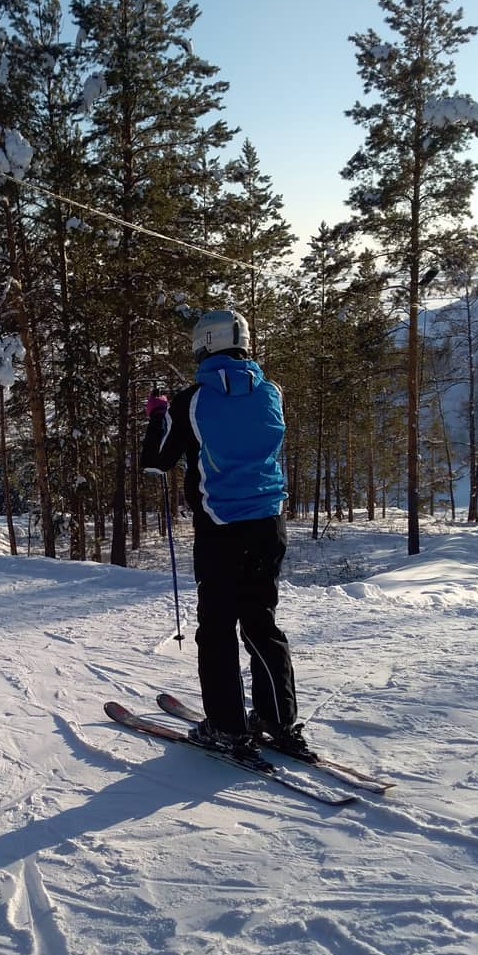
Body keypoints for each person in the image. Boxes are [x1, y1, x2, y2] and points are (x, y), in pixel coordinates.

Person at [141, 309, 304, 756]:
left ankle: (227, 727)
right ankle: (278, 719)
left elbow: (156, 462)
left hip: (221, 528)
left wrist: (157, 416)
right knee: (260, 622)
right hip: (270, 524)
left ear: (205, 345)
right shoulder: (272, 393)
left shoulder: (189, 401)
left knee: (216, 628)